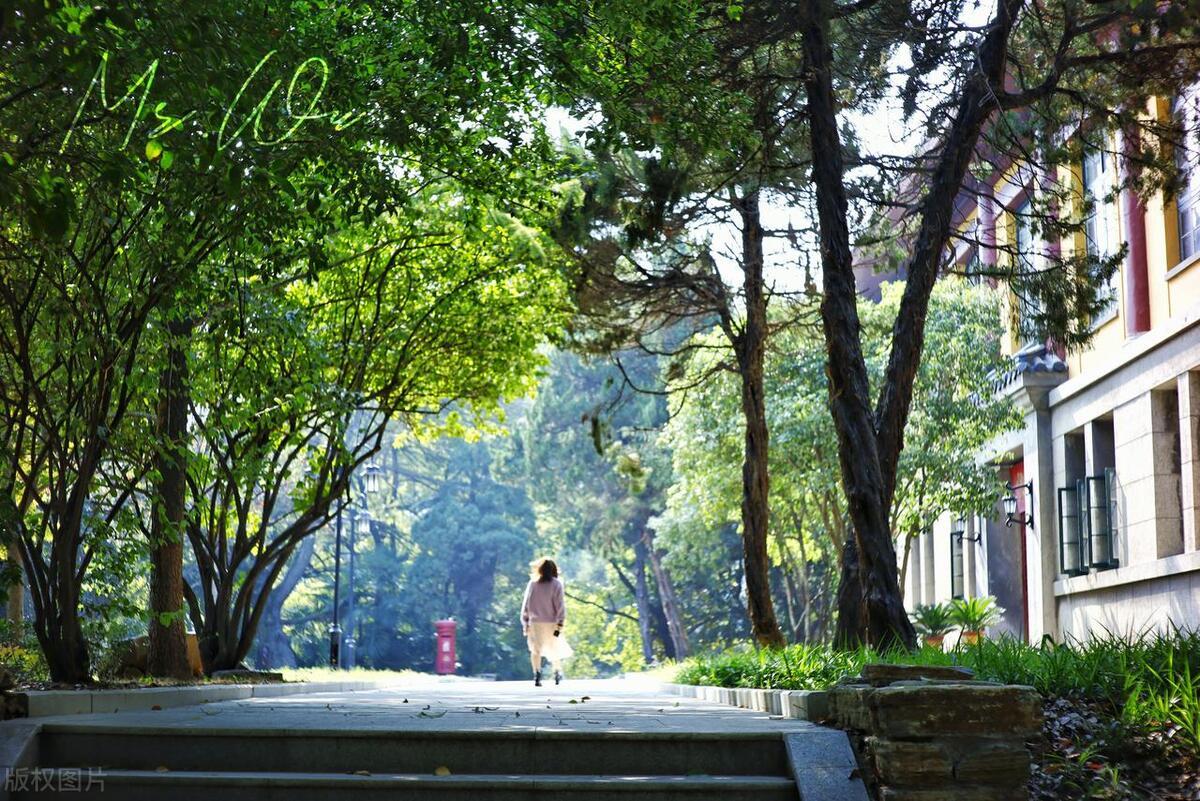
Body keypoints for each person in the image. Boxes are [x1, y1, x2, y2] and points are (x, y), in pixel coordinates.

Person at [521, 557, 572, 686]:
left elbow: (526, 604)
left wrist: (525, 622)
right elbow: (560, 605)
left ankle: (537, 674)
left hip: (535, 624)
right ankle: (557, 672)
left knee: (535, 649)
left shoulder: (533, 584)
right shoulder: (557, 584)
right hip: (552, 624)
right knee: (555, 646)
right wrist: (560, 623)